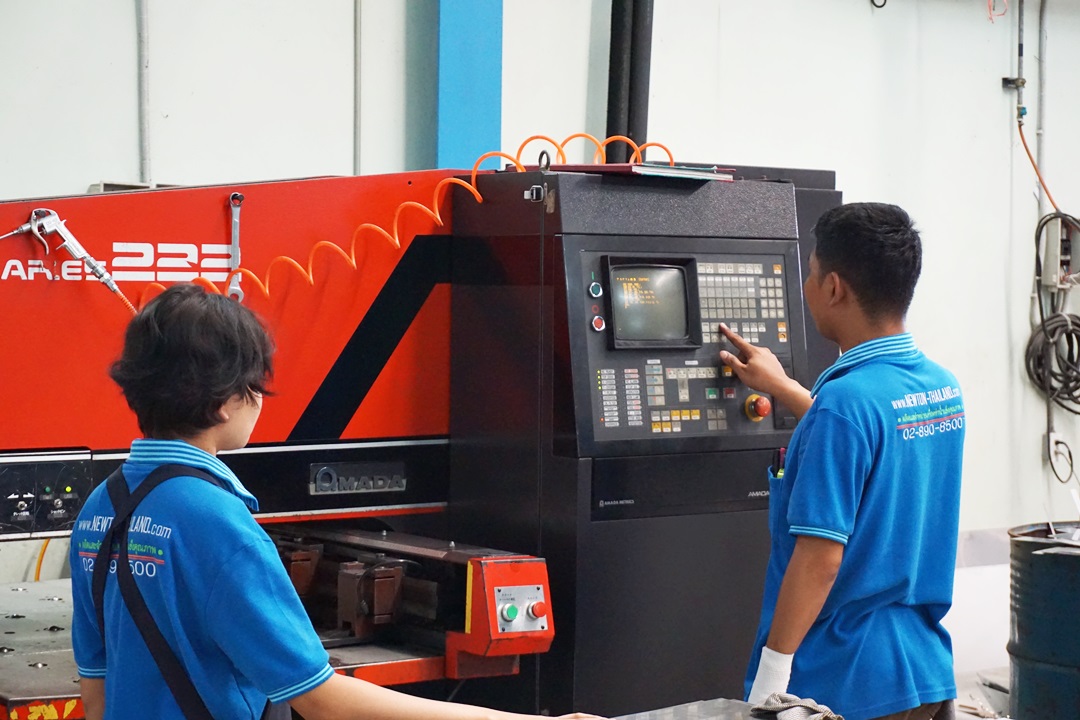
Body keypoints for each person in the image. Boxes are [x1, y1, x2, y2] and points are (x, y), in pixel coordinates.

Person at [69, 283, 600, 720]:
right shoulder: (219, 523)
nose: (259, 401)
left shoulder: (99, 508)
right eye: (254, 386)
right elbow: (323, 701)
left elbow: (97, 698)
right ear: (225, 401)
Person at [718, 203, 964, 720]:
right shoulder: (940, 388)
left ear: (833, 288)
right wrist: (786, 388)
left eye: (810, 274)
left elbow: (820, 558)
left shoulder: (844, 406)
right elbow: (871, 441)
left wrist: (771, 678)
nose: (806, 287)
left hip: (841, 684)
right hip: (921, 671)